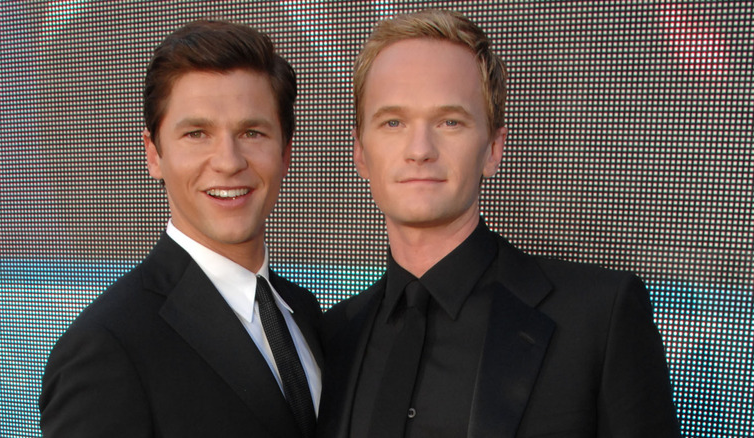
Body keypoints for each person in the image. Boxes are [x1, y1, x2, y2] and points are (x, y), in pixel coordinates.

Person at [318, 9, 680, 438]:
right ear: (361, 153)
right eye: (393, 122)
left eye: (449, 122)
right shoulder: (334, 336)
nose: (419, 149)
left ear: (493, 148)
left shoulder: (599, 318)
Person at [40, 20, 322, 437]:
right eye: (197, 133)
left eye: (252, 132)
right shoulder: (109, 346)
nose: (229, 161)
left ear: (285, 152)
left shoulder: (304, 312)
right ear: (154, 155)